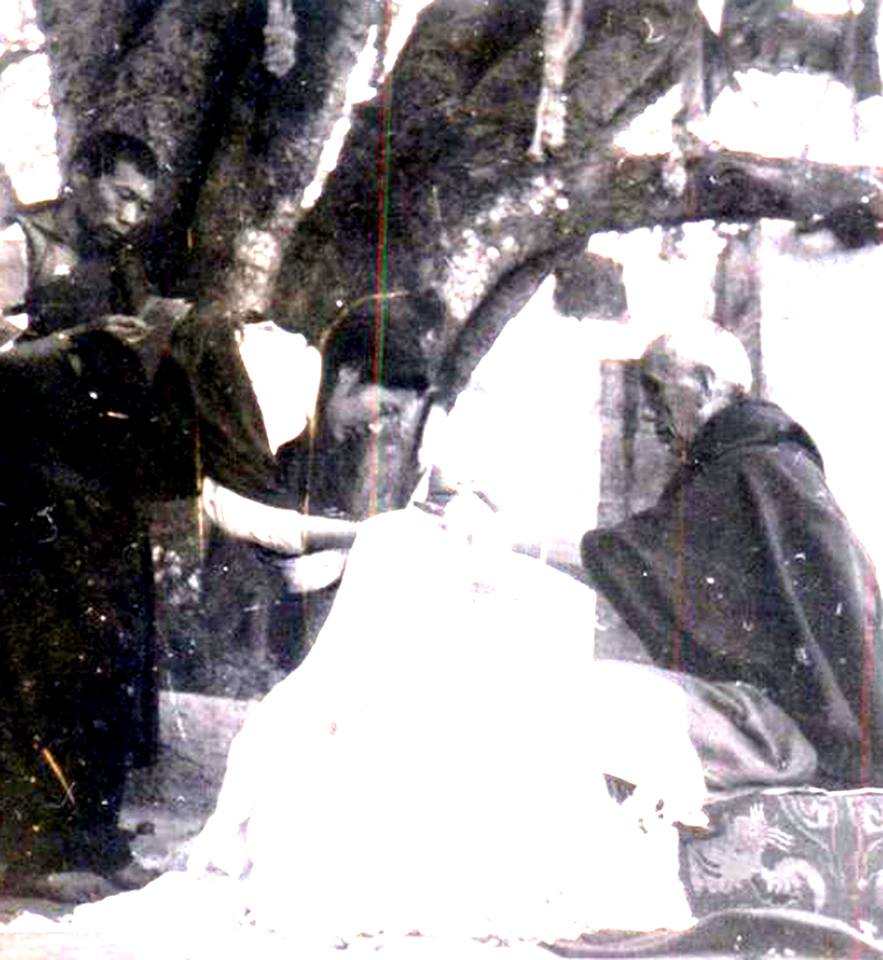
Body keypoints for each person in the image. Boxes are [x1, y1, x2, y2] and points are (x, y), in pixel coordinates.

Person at [0, 131, 187, 900]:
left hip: (102, 490)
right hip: (28, 487)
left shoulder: (126, 264)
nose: (129, 215)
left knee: (109, 664)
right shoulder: (22, 243)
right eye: (119, 195)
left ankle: (97, 840)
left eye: (141, 204)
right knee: (36, 668)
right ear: (80, 178)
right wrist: (76, 341)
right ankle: (28, 859)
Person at [580, 324, 883, 788]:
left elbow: (631, 556)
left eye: (659, 389)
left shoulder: (753, 470)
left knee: (593, 701)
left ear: (705, 384)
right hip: (792, 723)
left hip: (792, 733)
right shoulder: (755, 463)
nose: (650, 413)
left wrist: (522, 541)